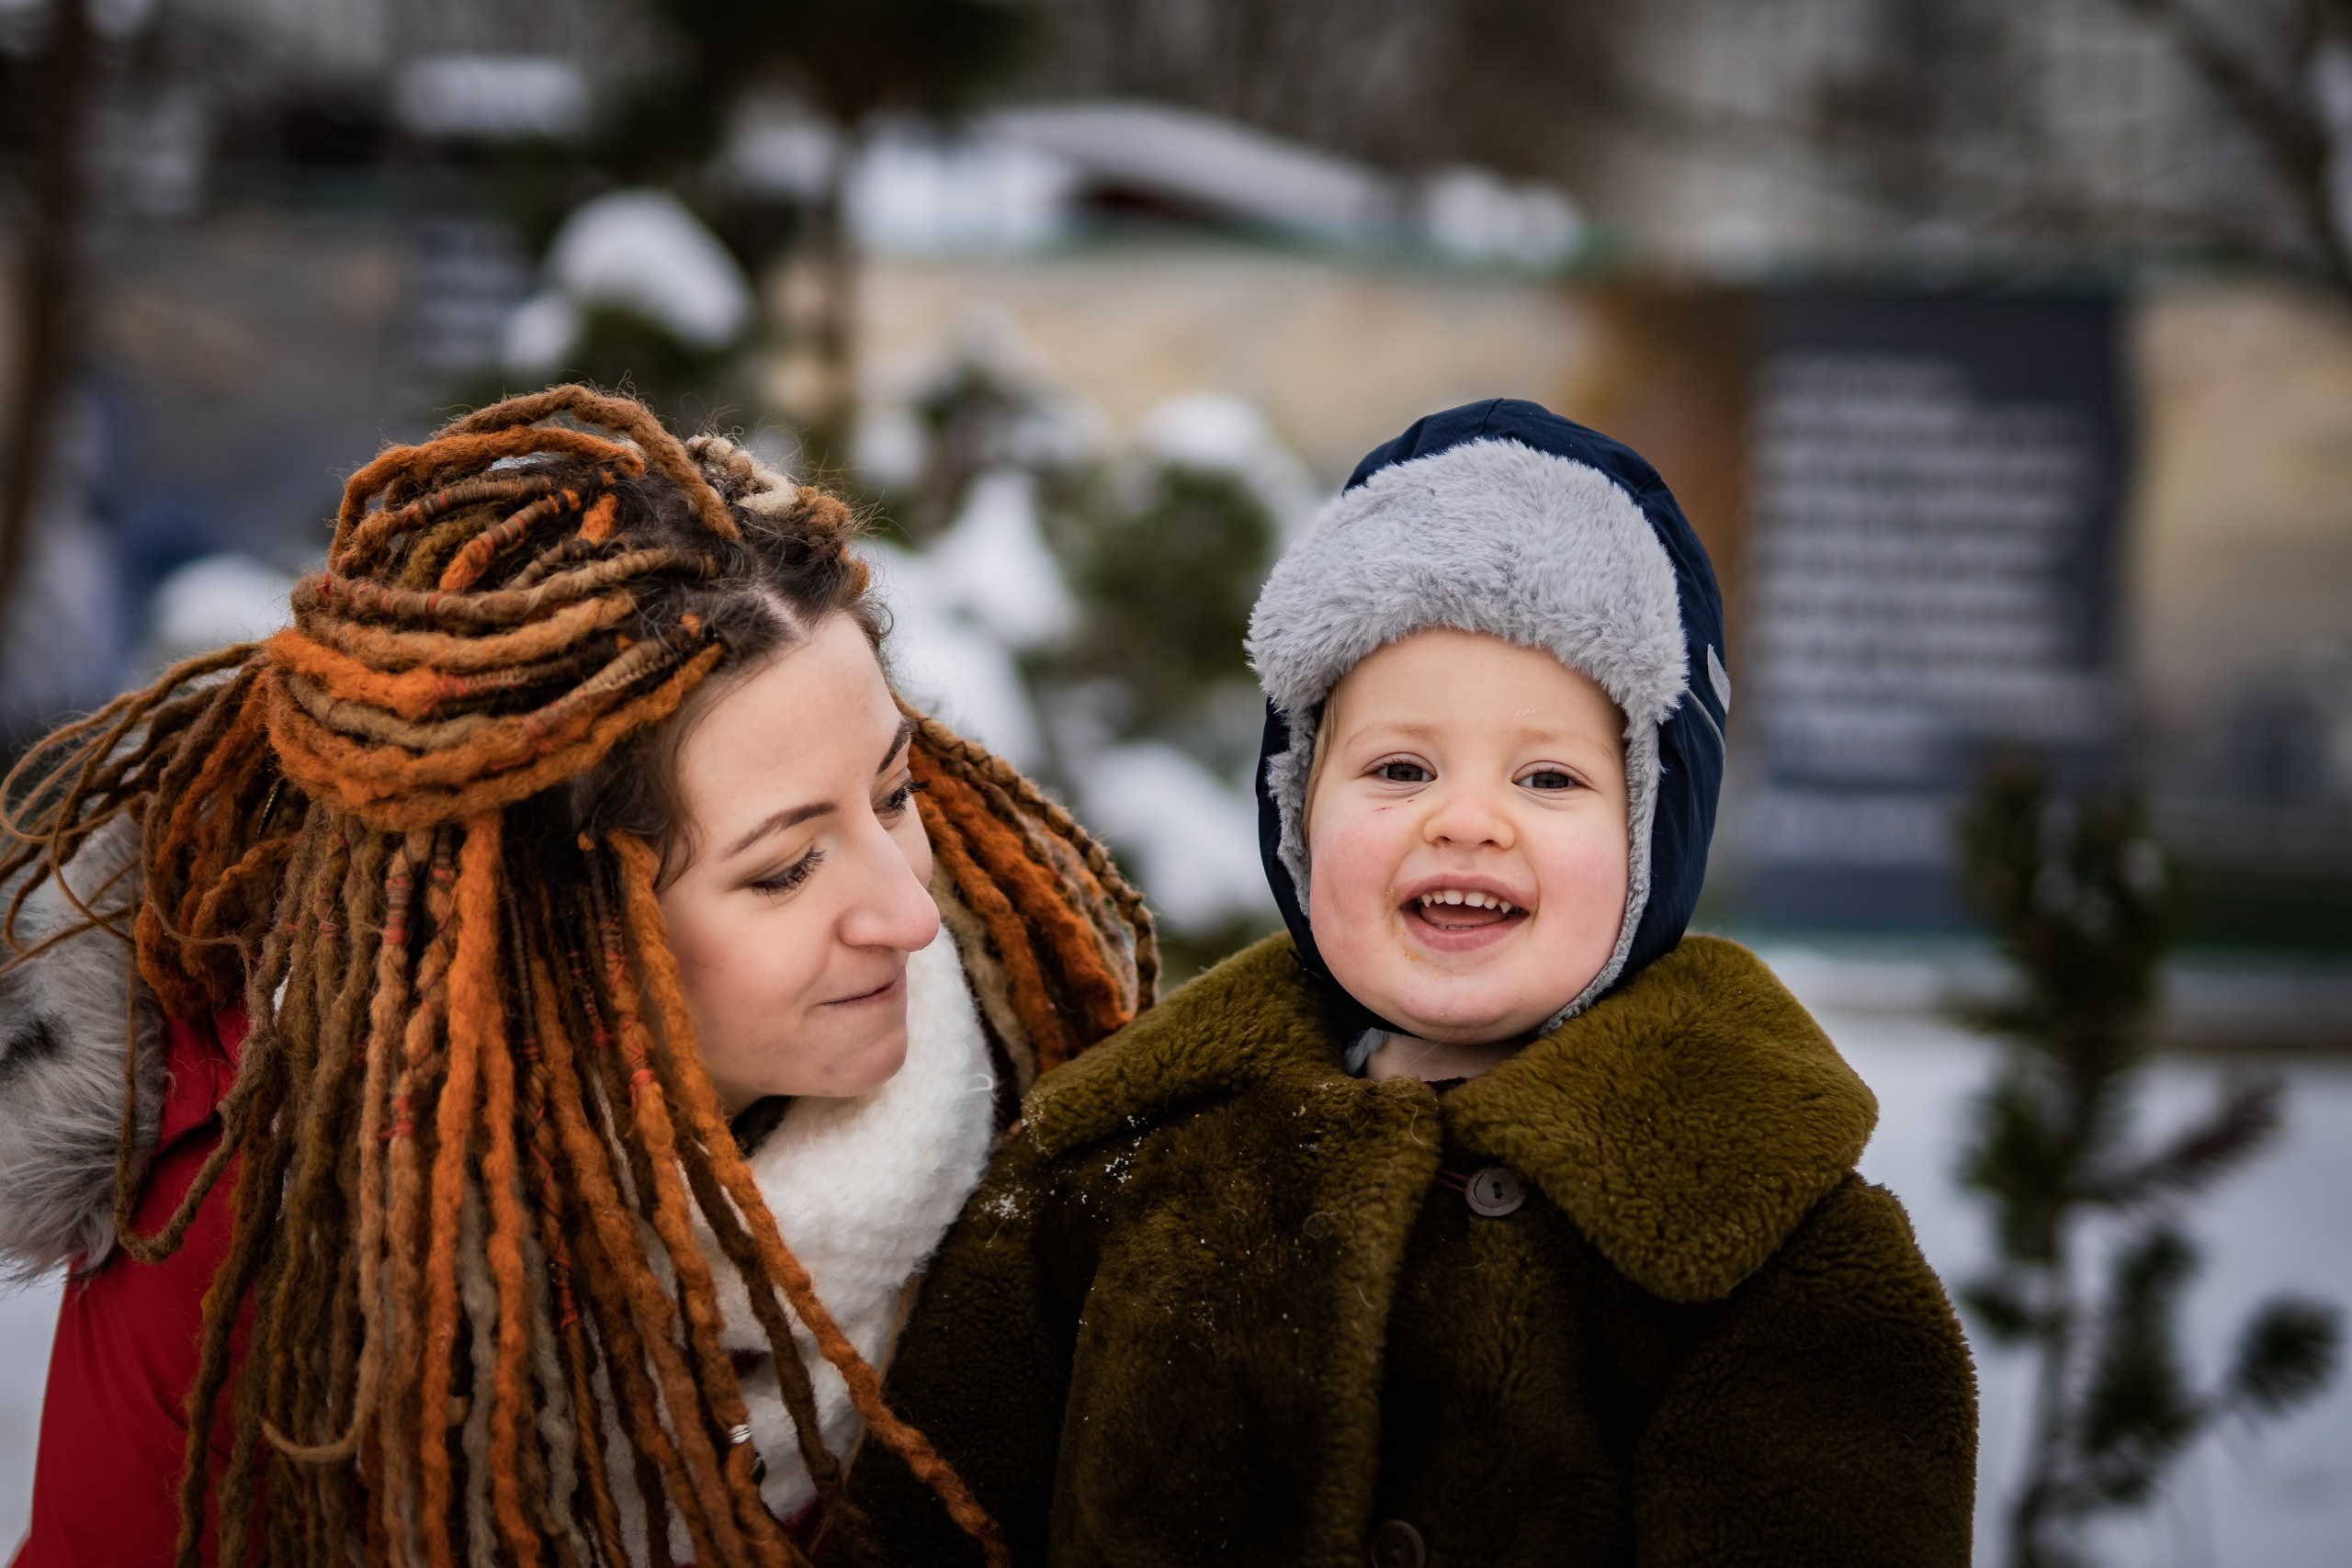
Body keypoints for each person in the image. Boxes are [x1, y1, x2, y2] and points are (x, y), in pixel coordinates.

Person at [0, 387, 1154, 1568]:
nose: (915, 916)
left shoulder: (1040, 1095)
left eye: (896, 795)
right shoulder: (254, 1260)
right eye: (785, 869)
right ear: (564, 926)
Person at [852, 400, 1978, 1566]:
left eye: (1548, 778)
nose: (1467, 821)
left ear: (1654, 842)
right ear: (1296, 809)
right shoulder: (1107, 1181)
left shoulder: (1768, 1250)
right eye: (1399, 767)